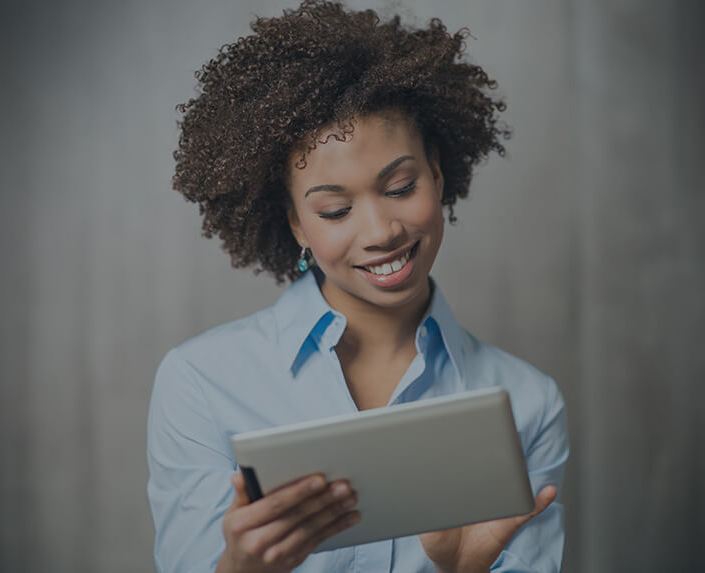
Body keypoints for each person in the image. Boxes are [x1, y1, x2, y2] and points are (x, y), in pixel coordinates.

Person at [146, 1, 569, 572]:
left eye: (399, 187)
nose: (381, 232)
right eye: (336, 209)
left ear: (437, 173)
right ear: (296, 223)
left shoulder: (529, 403)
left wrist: (460, 572)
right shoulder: (200, 383)